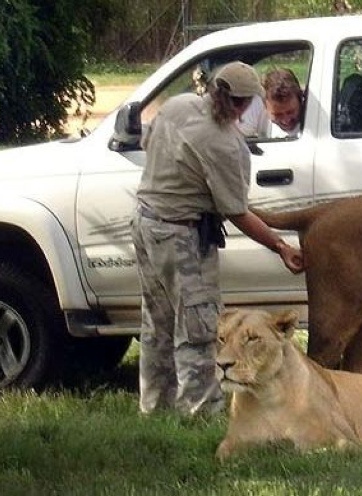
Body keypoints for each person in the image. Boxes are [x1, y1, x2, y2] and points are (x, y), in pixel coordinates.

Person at [132, 61, 304, 416]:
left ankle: (155, 407)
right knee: (197, 328)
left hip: (146, 224)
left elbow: (149, 142)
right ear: (244, 104)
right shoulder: (225, 144)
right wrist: (281, 246)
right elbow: (236, 211)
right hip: (181, 236)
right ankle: (200, 412)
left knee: (157, 323)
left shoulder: (178, 105)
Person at [238, 67, 305, 138]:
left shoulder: (315, 114)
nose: (286, 120)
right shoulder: (256, 108)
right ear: (265, 107)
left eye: (290, 112)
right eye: (278, 115)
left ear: (301, 100)